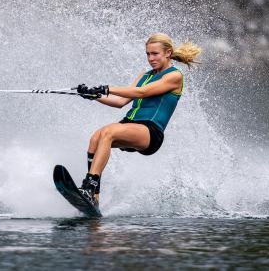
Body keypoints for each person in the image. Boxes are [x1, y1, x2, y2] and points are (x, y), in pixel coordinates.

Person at [76, 33, 202, 206]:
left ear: (168, 53)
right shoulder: (145, 75)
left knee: (108, 132)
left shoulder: (174, 76)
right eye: (148, 54)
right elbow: (120, 102)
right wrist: (93, 95)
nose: (151, 58)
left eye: (155, 54)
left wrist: (107, 88)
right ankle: (94, 197)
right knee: (96, 138)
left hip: (150, 131)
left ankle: (89, 186)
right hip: (130, 124)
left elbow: (141, 93)